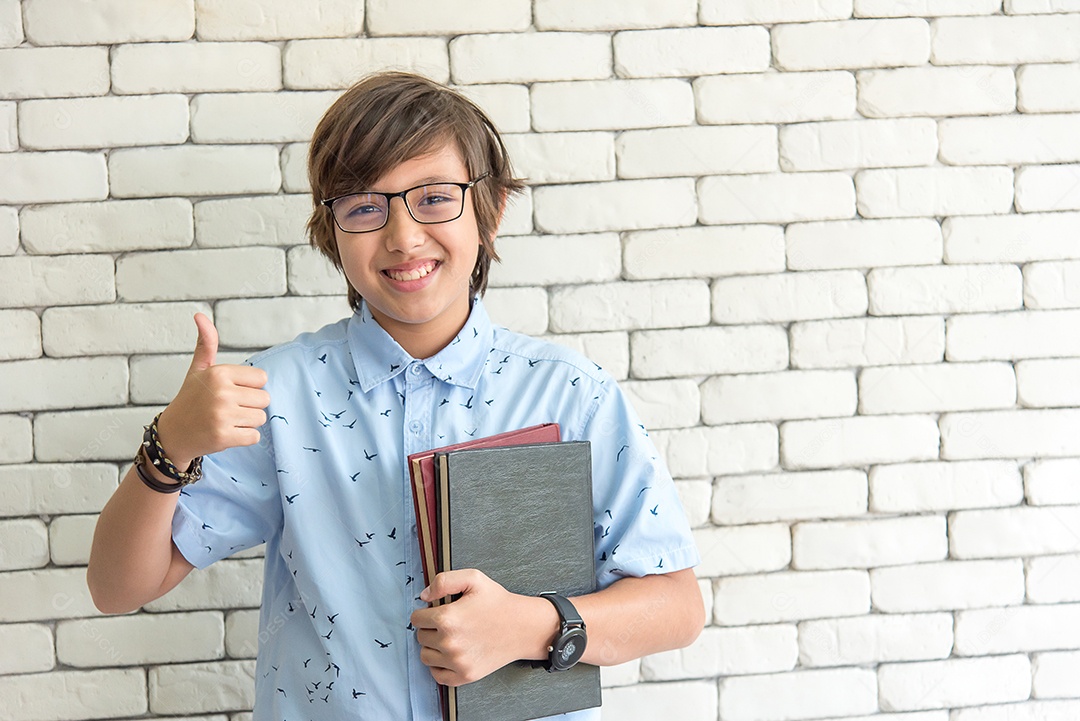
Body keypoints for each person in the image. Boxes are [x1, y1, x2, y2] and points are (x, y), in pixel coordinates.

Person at [87, 71, 704, 720]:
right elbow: (117, 586)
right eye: (365, 206)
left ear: (489, 209)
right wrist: (171, 444)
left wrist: (529, 625)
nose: (403, 236)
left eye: (435, 197)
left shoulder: (573, 394)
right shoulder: (278, 396)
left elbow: (677, 606)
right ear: (332, 232)